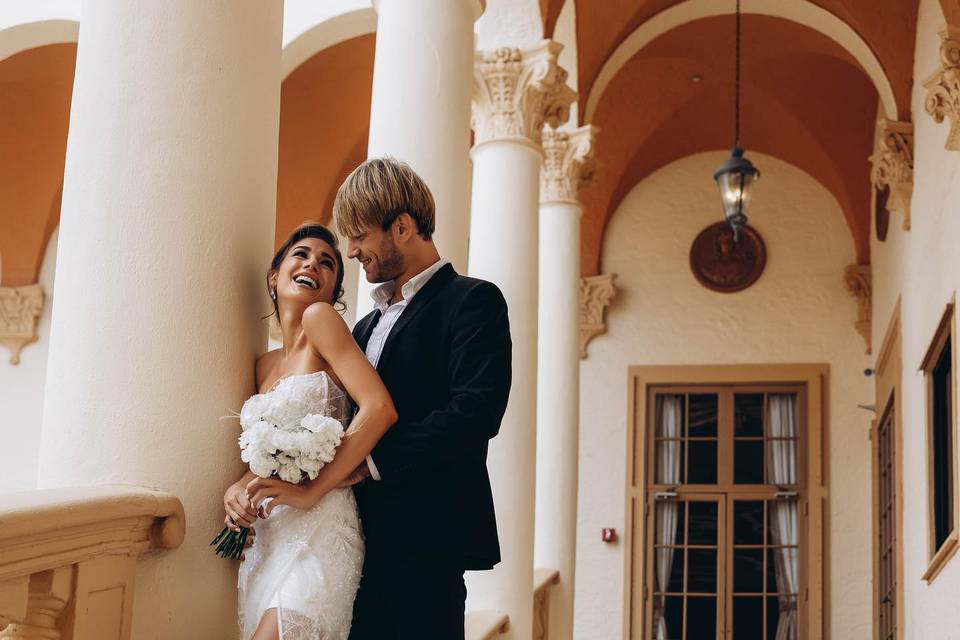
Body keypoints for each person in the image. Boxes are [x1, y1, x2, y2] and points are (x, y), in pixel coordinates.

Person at [333, 157, 512, 639]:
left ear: (404, 227)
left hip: (426, 547)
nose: (351, 250)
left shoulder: (473, 301)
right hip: (351, 545)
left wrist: (368, 463)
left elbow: (474, 413)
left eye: (359, 235)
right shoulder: (365, 326)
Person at [221, 223, 397, 640]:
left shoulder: (322, 321)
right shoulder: (263, 364)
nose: (312, 264)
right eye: (301, 254)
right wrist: (239, 489)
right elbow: (279, 454)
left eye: (327, 262)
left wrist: (312, 491)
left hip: (321, 526)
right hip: (270, 534)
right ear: (274, 275)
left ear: (334, 290)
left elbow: (379, 408)